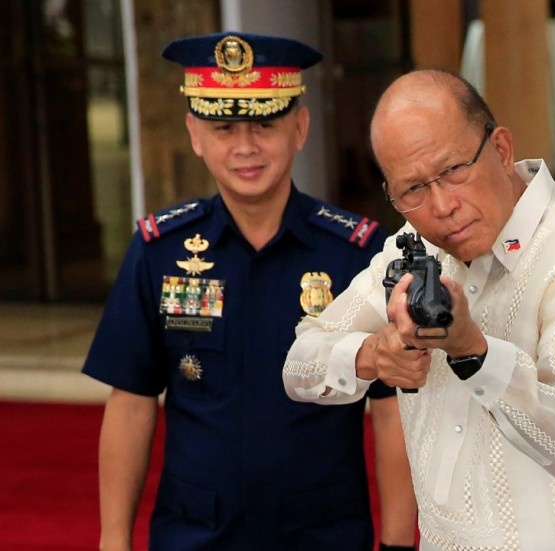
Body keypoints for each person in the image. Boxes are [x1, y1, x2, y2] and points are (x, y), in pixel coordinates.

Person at [282, 69, 555, 550]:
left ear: (501, 149)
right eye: (413, 190)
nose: (442, 206)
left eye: (453, 171)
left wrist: (473, 353)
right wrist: (374, 357)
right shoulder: (411, 246)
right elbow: (298, 365)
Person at [82, 32, 417, 550]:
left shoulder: (356, 254)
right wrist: (112, 541)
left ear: (300, 127)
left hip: (322, 532)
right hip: (196, 533)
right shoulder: (160, 250)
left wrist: (398, 543)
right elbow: (131, 401)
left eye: (265, 123)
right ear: (194, 132)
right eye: (223, 127)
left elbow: (391, 410)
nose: (245, 146)